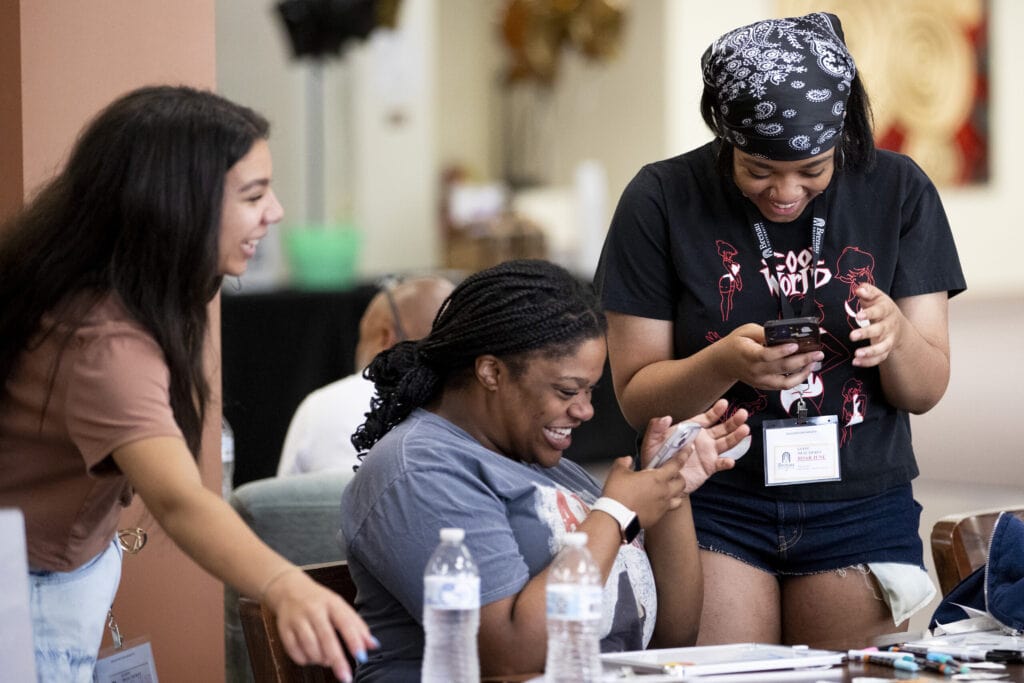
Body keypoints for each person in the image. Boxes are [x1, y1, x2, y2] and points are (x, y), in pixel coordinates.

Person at [595, 12, 966, 648]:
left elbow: (925, 391)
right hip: (712, 499)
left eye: (812, 170)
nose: (786, 192)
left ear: (842, 139)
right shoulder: (659, 199)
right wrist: (723, 365)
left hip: (859, 502)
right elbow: (635, 395)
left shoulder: (898, 189)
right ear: (724, 139)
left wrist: (899, 336)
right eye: (759, 170)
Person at [0, 85, 376, 682]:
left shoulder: (113, 288)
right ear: (178, 205)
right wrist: (285, 586)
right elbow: (178, 500)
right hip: (34, 589)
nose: (275, 212)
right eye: (254, 195)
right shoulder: (108, 343)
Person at [339, 259, 751, 680]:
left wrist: (669, 485)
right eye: (567, 390)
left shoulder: (552, 468)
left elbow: (671, 639)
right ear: (491, 371)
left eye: (590, 391)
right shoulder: (420, 470)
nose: (585, 411)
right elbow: (511, 655)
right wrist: (613, 514)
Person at [277, 275, 454, 476]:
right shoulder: (469, 408)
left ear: (386, 337)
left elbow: (279, 503)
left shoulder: (321, 406)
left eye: (363, 337)